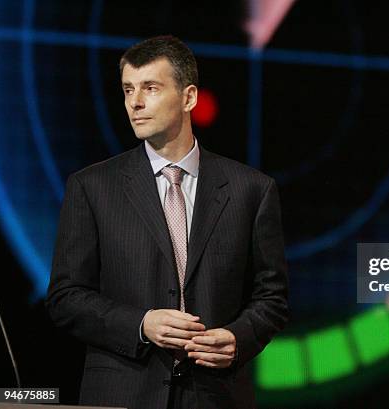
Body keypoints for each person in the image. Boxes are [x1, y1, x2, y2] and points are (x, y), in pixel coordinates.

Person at [45, 35, 289, 409]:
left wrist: (238, 338)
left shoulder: (251, 190)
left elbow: (271, 296)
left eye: (150, 88)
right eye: (128, 90)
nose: (135, 103)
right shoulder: (91, 187)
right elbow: (66, 297)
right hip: (122, 394)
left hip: (214, 394)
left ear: (188, 97)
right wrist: (141, 324)